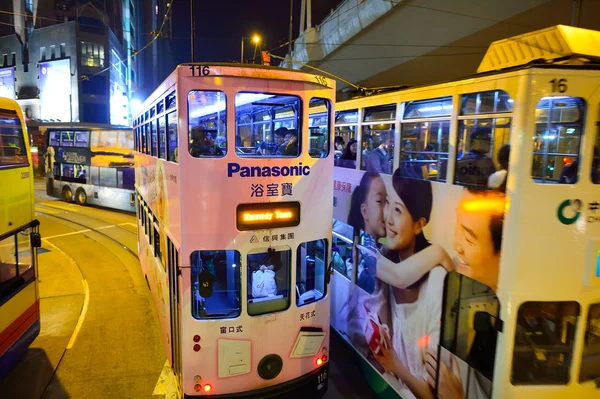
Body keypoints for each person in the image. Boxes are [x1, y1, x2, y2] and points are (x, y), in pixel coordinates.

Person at [370, 174, 447, 399]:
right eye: (387, 205)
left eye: (398, 210)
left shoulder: (437, 283)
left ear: (419, 225)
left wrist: (394, 365)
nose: (388, 219)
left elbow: (434, 394)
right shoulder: (386, 259)